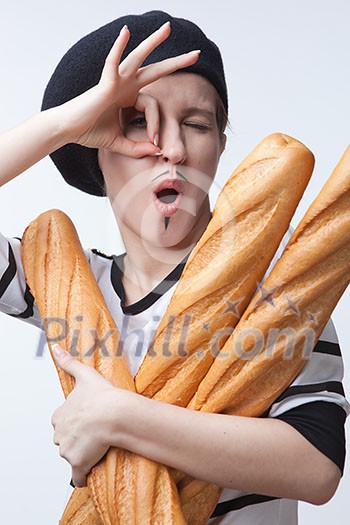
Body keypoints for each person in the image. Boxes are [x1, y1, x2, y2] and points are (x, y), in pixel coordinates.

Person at [0, 10, 348, 524]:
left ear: (221, 146)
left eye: (197, 125)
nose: (175, 150)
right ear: (96, 146)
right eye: (138, 122)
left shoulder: (274, 289)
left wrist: (120, 418)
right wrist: (61, 125)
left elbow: (316, 466)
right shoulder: (64, 282)